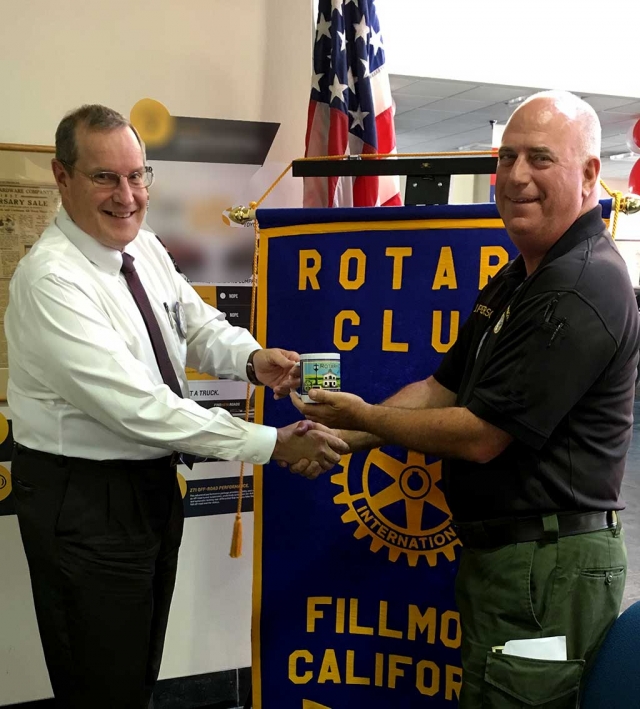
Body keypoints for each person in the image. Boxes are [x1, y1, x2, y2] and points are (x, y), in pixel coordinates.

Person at [291, 91, 640, 706]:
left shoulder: (581, 286)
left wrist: (363, 417)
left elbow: (481, 436)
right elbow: (439, 389)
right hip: (516, 561)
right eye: (507, 158)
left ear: (589, 174)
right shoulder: (523, 275)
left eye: (539, 158)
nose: (516, 177)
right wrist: (345, 436)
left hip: (549, 570)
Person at [5, 104, 348, 709]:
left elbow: (194, 326)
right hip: (84, 500)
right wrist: (270, 444)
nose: (127, 195)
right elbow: (139, 408)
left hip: (147, 487)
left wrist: (252, 358)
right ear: (63, 178)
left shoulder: (145, 248)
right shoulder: (52, 281)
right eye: (104, 177)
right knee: (100, 682)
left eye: (138, 175)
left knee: (136, 671)